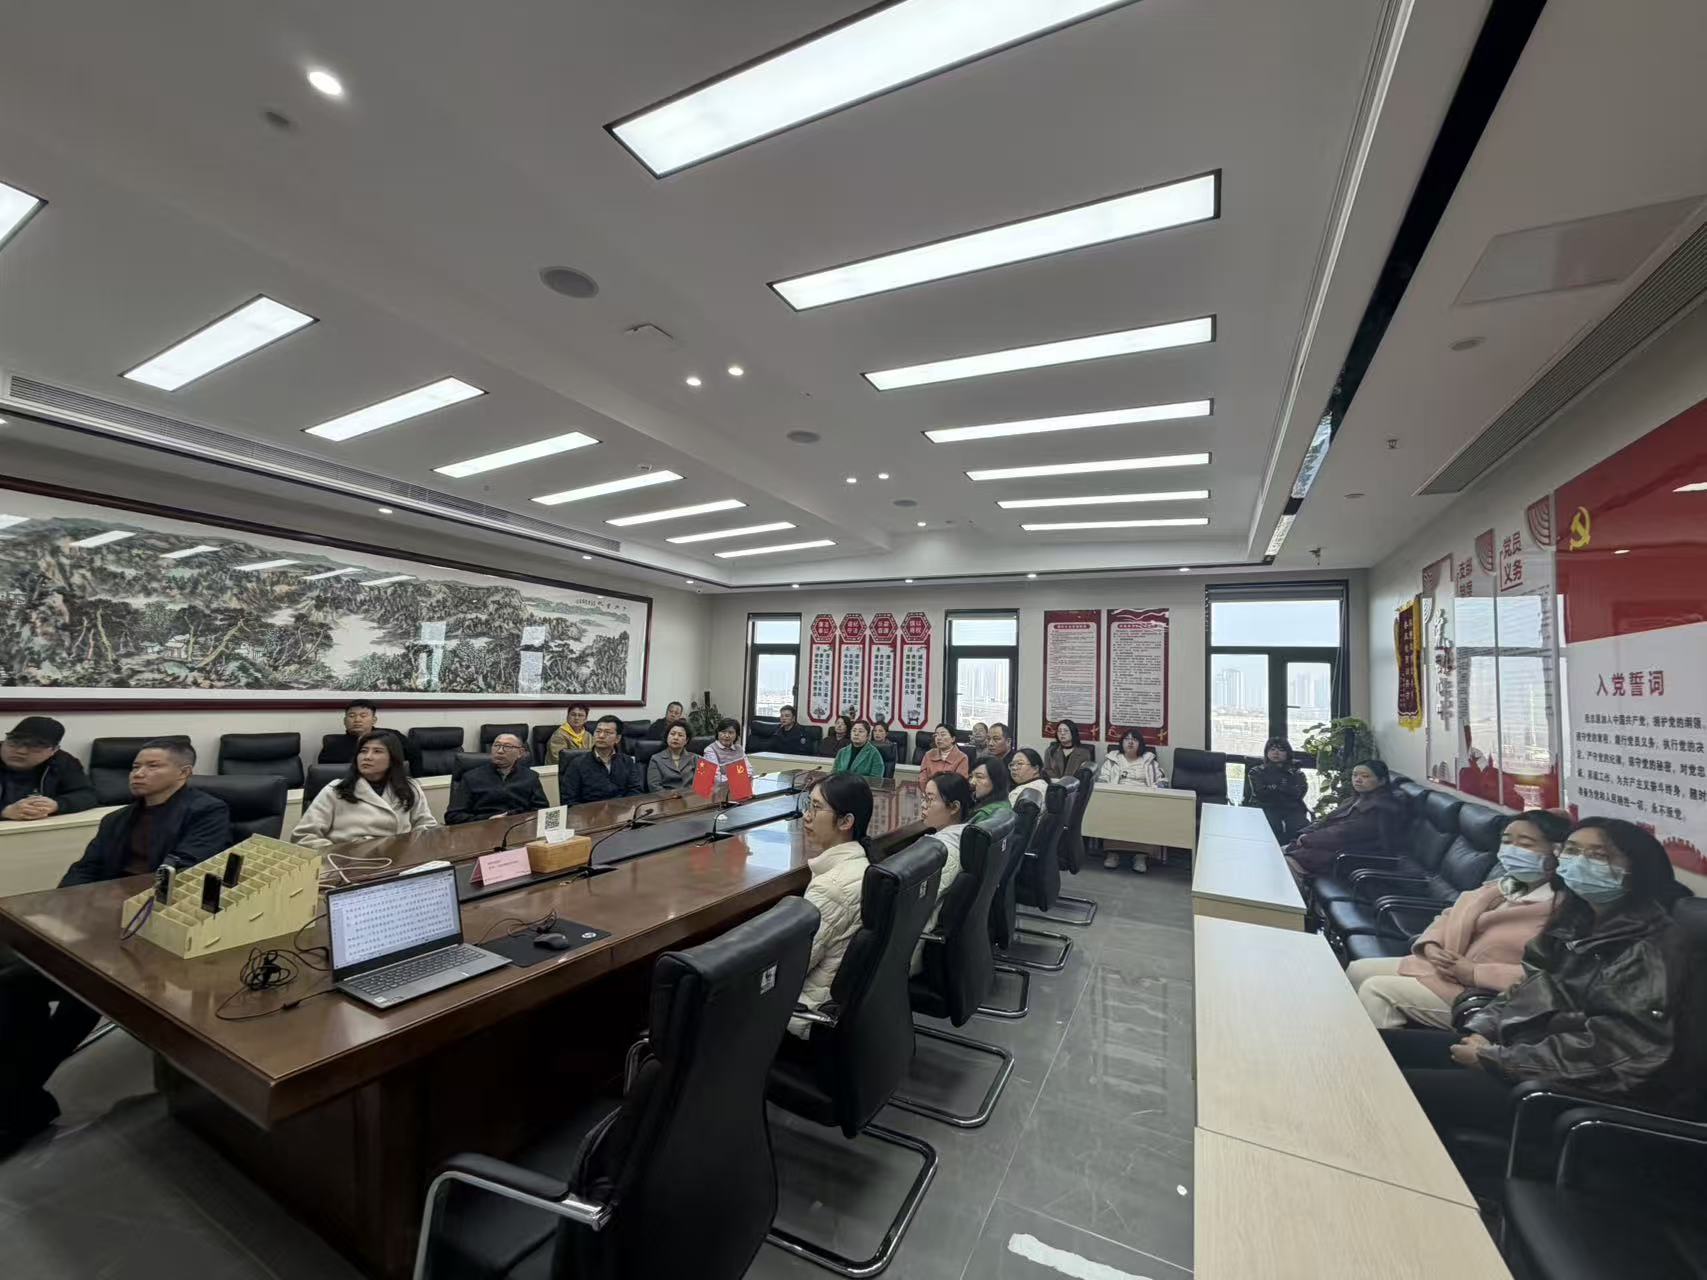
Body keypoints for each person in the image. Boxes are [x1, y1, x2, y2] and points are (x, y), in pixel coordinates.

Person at [1383, 818, 1700, 1188]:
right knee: (1381, 1049)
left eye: (1598, 855)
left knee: (1397, 1090)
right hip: (1527, 1054)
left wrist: (1496, 1059)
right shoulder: (1576, 923)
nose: (1580, 862)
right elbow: (1525, 989)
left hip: (1575, 1091)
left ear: (1637, 869)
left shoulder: (1651, 948)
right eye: (1573, 851)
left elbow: (1614, 1053)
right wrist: (1483, 1030)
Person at [1, 740, 233, 1153]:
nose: (138, 773)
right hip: (100, 926)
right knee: (18, 984)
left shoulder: (207, 811)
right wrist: (68, 905)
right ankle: (22, 1095)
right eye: (135, 766)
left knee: (70, 994)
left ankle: (18, 1102)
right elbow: (85, 869)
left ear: (183, 773)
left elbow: (182, 872)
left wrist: (110, 904)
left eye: (152, 766)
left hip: (157, 930)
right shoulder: (117, 818)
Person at [1348, 811, 1571, 1029]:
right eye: (1506, 841)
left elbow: (1553, 976)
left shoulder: (1561, 910)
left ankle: (1385, 1052)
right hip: (1444, 970)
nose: (1512, 850)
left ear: (1557, 852)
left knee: (1377, 991)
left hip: (1485, 995)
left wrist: (1475, 973)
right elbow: (1448, 915)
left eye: (1525, 844)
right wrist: (1432, 947)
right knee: (1357, 970)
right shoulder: (1503, 886)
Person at [790, 774, 873, 1037]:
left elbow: (793, 968)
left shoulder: (832, 888)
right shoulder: (863, 865)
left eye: (816, 807)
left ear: (846, 821)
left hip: (806, 1010)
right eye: (808, 804)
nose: (806, 816)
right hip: (843, 1005)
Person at [292, 731, 436, 847]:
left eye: (377, 751)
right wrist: (341, 855)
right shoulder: (336, 790)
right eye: (363, 751)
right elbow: (304, 836)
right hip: (349, 863)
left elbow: (426, 826)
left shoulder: (409, 787)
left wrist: (411, 848)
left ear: (393, 758)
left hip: (400, 859)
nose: (367, 757)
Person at [1284, 760, 1407, 880]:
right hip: (1339, 850)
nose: (1358, 779)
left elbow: (1344, 833)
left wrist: (1308, 839)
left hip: (1358, 858)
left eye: (1365, 776)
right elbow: (1326, 820)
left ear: (1381, 781)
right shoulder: (1355, 799)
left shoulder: (1383, 807)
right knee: (1284, 853)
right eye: (1355, 775)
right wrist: (1305, 833)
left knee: (1286, 862)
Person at [913, 773, 975, 972]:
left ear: (954, 807)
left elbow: (911, 907)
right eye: (924, 798)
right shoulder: (963, 836)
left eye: (930, 799)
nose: (923, 805)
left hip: (912, 947)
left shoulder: (943, 853)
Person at [1095, 729, 1168, 872]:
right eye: (1127, 739)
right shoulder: (1112, 760)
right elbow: (1103, 778)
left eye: (1134, 739)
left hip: (1143, 800)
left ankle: (1141, 856)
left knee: (1147, 816)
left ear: (1140, 744)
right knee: (1110, 813)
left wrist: (1156, 788)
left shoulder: (1149, 761)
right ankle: (1112, 853)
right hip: (1116, 799)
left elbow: (1162, 780)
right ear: (1121, 743)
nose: (1130, 742)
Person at [1, 716, 97, 821]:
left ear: (54, 750)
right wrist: (4, 811)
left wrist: (56, 805)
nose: (21, 751)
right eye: (14, 743)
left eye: (35, 746)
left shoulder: (63, 761)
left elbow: (87, 795)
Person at [444, 732, 547, 825]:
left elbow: (542, 810)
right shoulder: (471, 777)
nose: (500, 751)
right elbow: (453, 816)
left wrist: (524, 820)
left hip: (519, 829)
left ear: (520, 753)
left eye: (507, 747)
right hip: (483, 830)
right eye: (496, 745)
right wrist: (487, 819)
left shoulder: (530, 777)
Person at [317, 700, 424, 776]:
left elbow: (414, 754)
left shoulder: (391, 736)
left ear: (373, 720)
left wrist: (417, 781)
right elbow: (324, 774)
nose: (357, 720)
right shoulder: (333, 746)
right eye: (352, 716)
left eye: (363, 716)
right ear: (345, 721)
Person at [559, 714, 644, 805]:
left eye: (607, 732)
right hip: (590, 811)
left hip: (622, 810)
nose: (601, 736)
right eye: (598, 731)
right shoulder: (577, 764)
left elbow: (636, 790)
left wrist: (623, 807)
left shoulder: (627, 761)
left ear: (617, 738)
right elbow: (569, 800)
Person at [1243, 737, 1310, 841]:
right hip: (1265, 808)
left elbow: (1298, 794)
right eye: (1272, 749)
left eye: (1281, 750)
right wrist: (1285, 789)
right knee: (1272, 829)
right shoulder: (1256, 772)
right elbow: (1261, 793)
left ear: (1288, 753)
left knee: (1301, 831)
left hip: (1291, 809)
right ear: (1267, 752)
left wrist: (1273, 788)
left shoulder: (1297, 774)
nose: (1276, 753)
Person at [647, 723, 700, 792]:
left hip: (691, 797)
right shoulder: (656, 759)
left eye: (680, 735)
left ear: (686, 740)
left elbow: (703, 784)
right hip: (666, 797)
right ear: (667, 737)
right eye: (672, 734)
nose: (676, 738)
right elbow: (654, 787)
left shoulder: (695, 758)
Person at [970, 756, 1012, 824]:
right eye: (971, 776)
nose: (972, 782)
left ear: (996, 781)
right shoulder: (1003, 802)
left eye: (979, 777)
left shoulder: (985, 815)